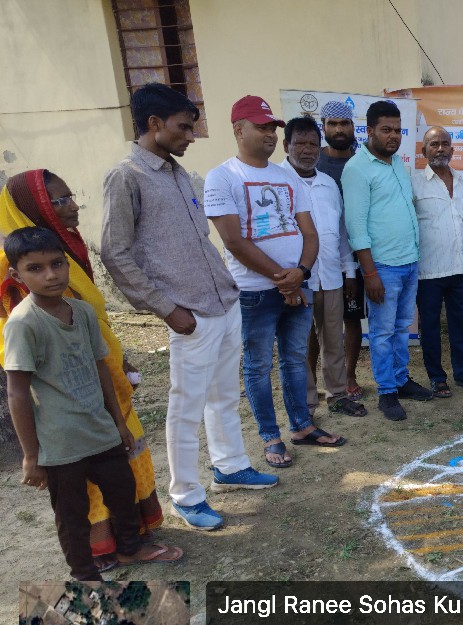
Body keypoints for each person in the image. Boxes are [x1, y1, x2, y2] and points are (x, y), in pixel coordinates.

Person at [102, 83, 277, 532]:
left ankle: (231, 466)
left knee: (224, 396)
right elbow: (115, 253)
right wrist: (165, 309)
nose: (191, 136)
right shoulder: (127, 177)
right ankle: (186, 495)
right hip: (188, 315)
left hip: (223, 302)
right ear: (154, 123)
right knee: (185, 408)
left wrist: (225, 294)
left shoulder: (180, 175)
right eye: (183, 127)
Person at [0, 169, 162, 573]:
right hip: (61, 441)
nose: (51, 275)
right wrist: (31, 455)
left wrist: (118, 418)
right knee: (72, 512)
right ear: (18, 274)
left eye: (57, 264)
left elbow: (99, 358)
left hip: (101, 425)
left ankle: (130, 545)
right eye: (36, 268)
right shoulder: (21, 318)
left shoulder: (80, 304)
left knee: (121, 487)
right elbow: (18, 389)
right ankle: (86, 572)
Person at [206, 95, 345, 468]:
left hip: (298, 285)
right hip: (254, 292)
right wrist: (281, 279)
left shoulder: (287, 178)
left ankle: (301, 425)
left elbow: (310, 233)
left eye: (272, 128)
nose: (269, 134)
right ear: (239, 130)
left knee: (295, 359)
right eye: (262, 127)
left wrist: (301, 273)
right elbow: (233, 240)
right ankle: (271, 436)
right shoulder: (223, 177)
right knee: (257, 366)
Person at [342, 100, 431, 421]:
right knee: (381, 332)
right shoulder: (357, 169)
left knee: (401, 327)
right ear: (369, 130)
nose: (393, 136)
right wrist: (370, 274)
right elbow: (356, 226)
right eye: (386, 130)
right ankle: (387, 392)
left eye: (397, 130)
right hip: (382, 267)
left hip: (408, 262)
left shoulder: (396, 164)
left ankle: (400, 380)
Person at [279, 116, 365, 419]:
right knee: (299, 346)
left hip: (331, 276)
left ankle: (338, 395)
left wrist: (349, 271)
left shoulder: (328, 184)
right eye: (300, 144)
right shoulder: (276, 181)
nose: (307, 150)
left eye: (313, 144)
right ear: (286, 145)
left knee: (333, 340)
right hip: (296, 280)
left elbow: (340, 231)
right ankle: (305, 405)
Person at [411, 126, 463, 397]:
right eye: (434, 144)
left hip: (460, 267)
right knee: (430, 326)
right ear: (424, 151)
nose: (440, 148)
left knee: (461, 324)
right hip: (428, 270)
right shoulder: (414, 183)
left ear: (452, 150)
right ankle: (437, 377)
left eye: (444, 144)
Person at [317, 100, 366, 404]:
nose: (338, 129)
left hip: (355, 255)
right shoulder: (313, 163)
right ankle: (310, 380)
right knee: (313, 324)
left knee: (352, 316)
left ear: (352, 126)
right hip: (316, 256)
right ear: (323, 126)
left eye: (344, 123)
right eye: (332, 124)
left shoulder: (361, 163)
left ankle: (349, 376)